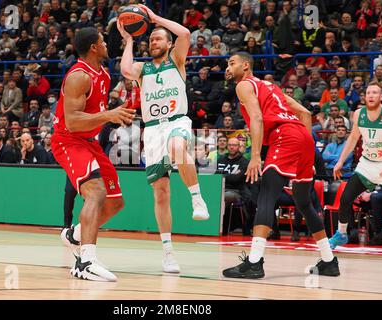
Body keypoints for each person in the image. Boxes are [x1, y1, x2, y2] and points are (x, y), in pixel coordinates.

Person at [222, 52, 339, 279]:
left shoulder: (244, 85)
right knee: (303, 202)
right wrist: (305, 147)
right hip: (303, 138)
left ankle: (254, 262)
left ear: (246, 66)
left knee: (266, 194)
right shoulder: (270, 87)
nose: (227, 68)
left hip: (284, 136)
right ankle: (329, 261)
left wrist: (255, 155)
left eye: (231, 63)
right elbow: (305, 113)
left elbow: (256, 118)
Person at [118, 4, 209, 274]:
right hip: (153, 128)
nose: (153, 42)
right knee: (161, 192)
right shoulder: (142, 69)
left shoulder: (176, 61)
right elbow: (124, 69)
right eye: (151, 39)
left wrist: (155, 19)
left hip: (177, 120)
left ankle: (196, 198)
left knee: (177, 146)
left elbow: (185, 34)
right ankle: (168, 253)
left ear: (168, 44)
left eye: (158, 38)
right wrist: (130, 40)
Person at [52, 27, 135, 282]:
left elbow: (93, 114)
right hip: (69, 140)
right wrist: (108, 115)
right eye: (102, 41)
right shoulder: (78, 76)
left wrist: (116, 113)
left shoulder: (104, 74)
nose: (106, 44)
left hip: (90, 142)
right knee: (96, 192)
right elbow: (74, 121)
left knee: (115, 201)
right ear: (93, 48)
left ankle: (75, 234)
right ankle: (85, 261)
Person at [329, 82, 382, 249]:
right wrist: (340, 161)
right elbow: (353, 138)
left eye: (375, 92)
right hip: (367, 164)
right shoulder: (358, 114)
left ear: (381, 97)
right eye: (368, 92)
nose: (370, 95)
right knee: (345, 198)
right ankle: (341, 234)